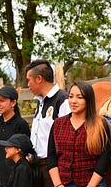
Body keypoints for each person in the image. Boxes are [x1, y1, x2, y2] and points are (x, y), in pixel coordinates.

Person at [47, 81, 111, 187]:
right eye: (71, 96)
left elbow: (104, 159)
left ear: (88, 100)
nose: (73, 101)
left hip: (93, 183)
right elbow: (51, 157)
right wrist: (58, 184)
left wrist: (91, 185)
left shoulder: (100, 125)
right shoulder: (58, 124)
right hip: (64, 183)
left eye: (79, 97)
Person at [25, 59, 71, 187]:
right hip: (37, 166)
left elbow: (67, 139)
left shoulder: (63, 101)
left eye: (29, 80)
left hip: (53, 168)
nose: (28, 84)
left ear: (39, 79)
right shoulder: (40, 102)